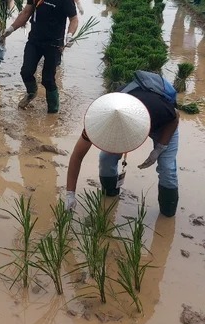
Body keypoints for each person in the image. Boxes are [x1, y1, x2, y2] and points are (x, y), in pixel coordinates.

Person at [65, 72, 180, 216]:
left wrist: (159, 148)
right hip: (133, 116)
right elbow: (77, 156)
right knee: (106, 158)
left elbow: (175, 118)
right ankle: (110, 194)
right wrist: (70, 193)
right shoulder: (97, 122)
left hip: (162, 125)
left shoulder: (157, 110)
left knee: (167, 168)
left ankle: (167, 213)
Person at [2, 0, 78, 114]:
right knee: (26, 71)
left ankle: (53, 112)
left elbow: (74, 19)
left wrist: (69, 36)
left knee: (48, 79)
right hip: (35, 40)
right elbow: (26, 12)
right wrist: (10, 29)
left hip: (54, 43)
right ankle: (31, 92)